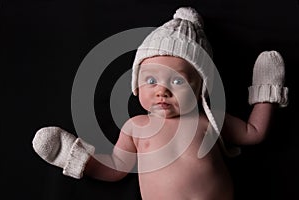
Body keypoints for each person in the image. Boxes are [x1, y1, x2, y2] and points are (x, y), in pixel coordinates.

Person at [32, 7, 288, 200]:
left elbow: (254, 133)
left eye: (177, 82)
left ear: (200, 89)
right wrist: (77, 158)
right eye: (151, 80)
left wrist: (266, 92)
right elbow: (117, 168)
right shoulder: (136, 127)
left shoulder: (209, 118)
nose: (162, 90)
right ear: (136, 86)